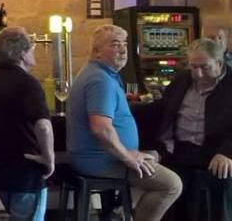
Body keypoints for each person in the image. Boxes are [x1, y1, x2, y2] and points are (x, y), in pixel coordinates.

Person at [67, 24, 182, 221]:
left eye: (124, 44)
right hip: (101, 161)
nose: (122, 50)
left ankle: (121, 212)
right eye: (114, 44)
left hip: (96, 157)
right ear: (97, 51)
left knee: (154, 155)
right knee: (171, 184)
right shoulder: (100, 80)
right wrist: (128, 157)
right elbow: (101, 128)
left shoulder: (97, 73)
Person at [0, 26, 54, 221]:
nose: (34, 52)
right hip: (25, 171)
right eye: (32, 48)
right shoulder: (28, 83)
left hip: (0, 171)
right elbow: (43, 126)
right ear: (22, 53)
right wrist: (49, 158)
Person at [155, 37, 232, 220]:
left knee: (218, 180)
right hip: (180, 150)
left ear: (219, 63)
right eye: (193, 67)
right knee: (169, 186)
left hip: (215, 151)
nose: (198, 74)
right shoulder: (181, 80)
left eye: (205, 67)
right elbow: (163, 113)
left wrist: (227, 152)